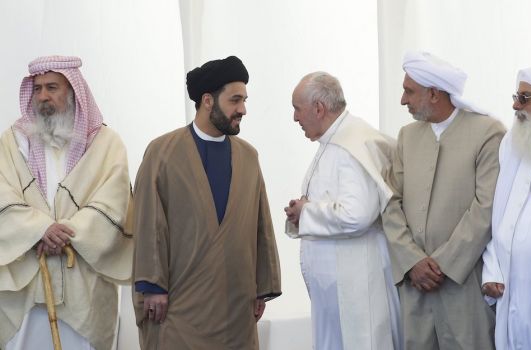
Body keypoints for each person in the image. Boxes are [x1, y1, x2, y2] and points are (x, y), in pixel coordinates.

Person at [132, 55, 282, 350]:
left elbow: (261, 224)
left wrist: (262, 288)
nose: (243, 109)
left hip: (237, 307)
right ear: (208, 100)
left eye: (244, 100)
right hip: (180, 306)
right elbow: (148, 222)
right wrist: (152, 286)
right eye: (235, 100)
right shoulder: (162, 152)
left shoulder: (248, 157)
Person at [0, 55, 133, 350]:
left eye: (52, 87)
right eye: (37, 89)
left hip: (83, 286)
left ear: (73, 92)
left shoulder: (106, 144)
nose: (43, 96)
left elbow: (114, 202)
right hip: (26, 288)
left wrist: (66, 233)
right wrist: (38, 229)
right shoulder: (12, 142)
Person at [382, 51, 506, 349]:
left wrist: (441, 265)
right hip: (416, 285)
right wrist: (413, 261)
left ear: (434, 94)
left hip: (463, 284)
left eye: (409, 91)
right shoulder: (407, 136)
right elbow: (390, 203)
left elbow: (486, 208)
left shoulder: (488, 132)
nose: (403, 100)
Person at [284, 71, 402, 350]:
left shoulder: (351, 145)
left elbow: (357, 214)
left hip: (356, 284)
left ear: (319, 108)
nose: (295, 118)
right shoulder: (336, 141)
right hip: (338, 289)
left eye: (297, 110)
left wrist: (307, 211)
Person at [482, 66, 531, 350]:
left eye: (525, 98)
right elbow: (500, 222)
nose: (515, 106)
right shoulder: (513, 147)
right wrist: (491, 272)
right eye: (516, 96)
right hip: (513, 296)